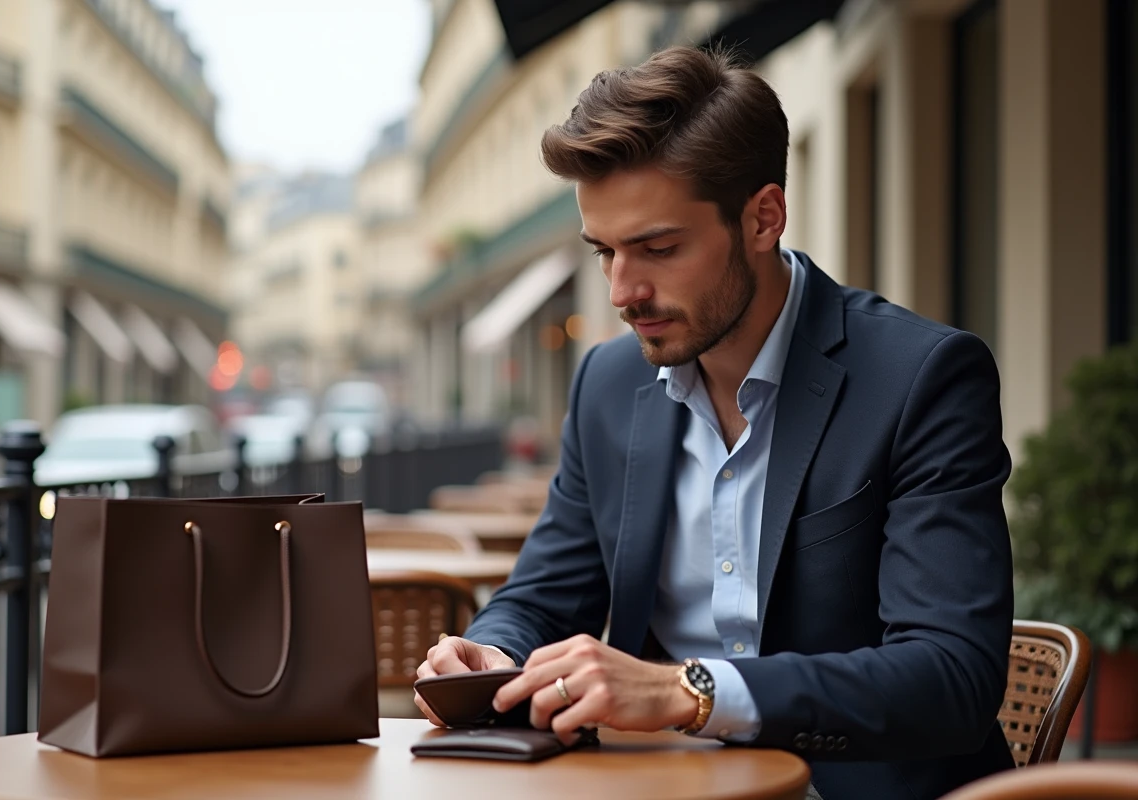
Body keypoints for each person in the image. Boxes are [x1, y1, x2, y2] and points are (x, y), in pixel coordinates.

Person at [415, 45, 1016, 800]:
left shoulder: (921, 378)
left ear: (763, 217)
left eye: (658, 248)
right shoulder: (607, 384)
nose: (623, 291)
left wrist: (688, 690)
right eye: (603, 252)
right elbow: (543, 594)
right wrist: (489, 652)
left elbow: (951, 677)